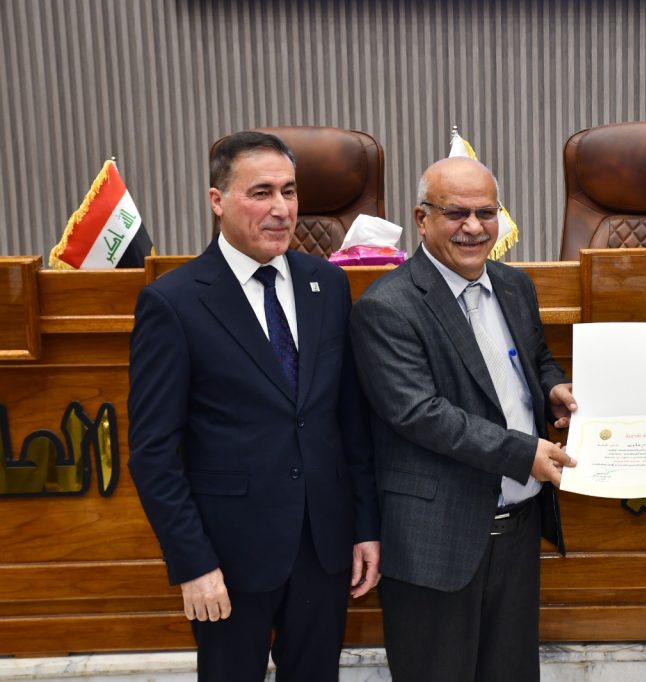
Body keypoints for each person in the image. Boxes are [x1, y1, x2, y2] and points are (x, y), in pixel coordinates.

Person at [127, 131, 380, 681]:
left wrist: (364, 526)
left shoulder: (328, 284)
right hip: (228, 556)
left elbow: (348, 421)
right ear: (217, 200)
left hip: (323, 546)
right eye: (261, 193)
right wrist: (193, 563)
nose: (281, 209)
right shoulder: (173, 303)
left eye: (289, 191)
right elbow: (153, 454)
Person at [349, 156, 577, 682]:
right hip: (436, 541)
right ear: (422, 218)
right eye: (456, 213)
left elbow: (535, 359)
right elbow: (420, 413)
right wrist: (524, 453)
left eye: (486, 212)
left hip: (517, 531)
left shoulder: (514, 285)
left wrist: (552, 389)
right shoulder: (387, 306)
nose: (474, 227)